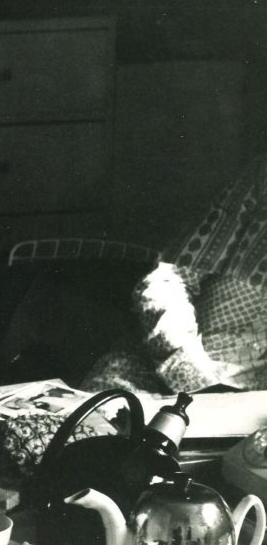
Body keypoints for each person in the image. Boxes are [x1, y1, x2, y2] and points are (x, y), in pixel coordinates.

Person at [82, 153, 267, 394]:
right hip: (161, 369)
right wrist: (190, 372)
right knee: (94, 422)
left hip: (253, 405)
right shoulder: (259, 179)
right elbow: (164, 281)